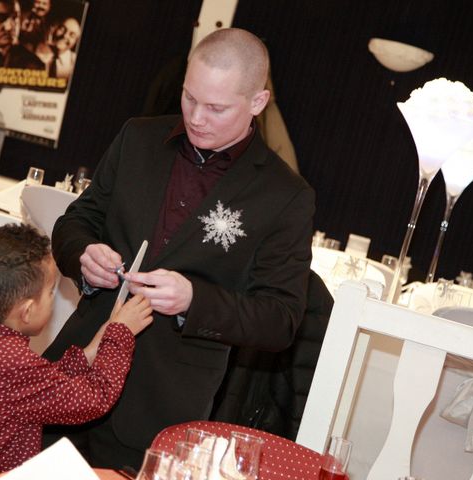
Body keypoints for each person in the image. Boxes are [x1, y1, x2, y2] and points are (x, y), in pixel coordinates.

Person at [45, 28, 315, 469]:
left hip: (162, 403)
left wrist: (194, 300)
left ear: (257, 104)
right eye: (190, 98)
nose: (196, 117)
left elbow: (280, 319)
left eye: (216, 107)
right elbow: (76, 221)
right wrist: (84, 254)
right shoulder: (138, 138)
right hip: (76, 371)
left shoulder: (284, 195)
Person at [0, 224, 153, 479]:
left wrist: (95, 348)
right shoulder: (11, 362)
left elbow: (39, 386)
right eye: (51, 292)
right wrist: (120, 334)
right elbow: (95, 399)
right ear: (27, 311)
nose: (54, 297)